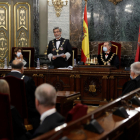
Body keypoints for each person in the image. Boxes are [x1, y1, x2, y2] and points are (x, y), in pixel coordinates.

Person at [6, 59, 40, 130]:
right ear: (22, 68)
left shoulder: (4, 79)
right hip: (27, 114)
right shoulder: (27, 80)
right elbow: (36, 94)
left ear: (11, 68)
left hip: (7, 112)